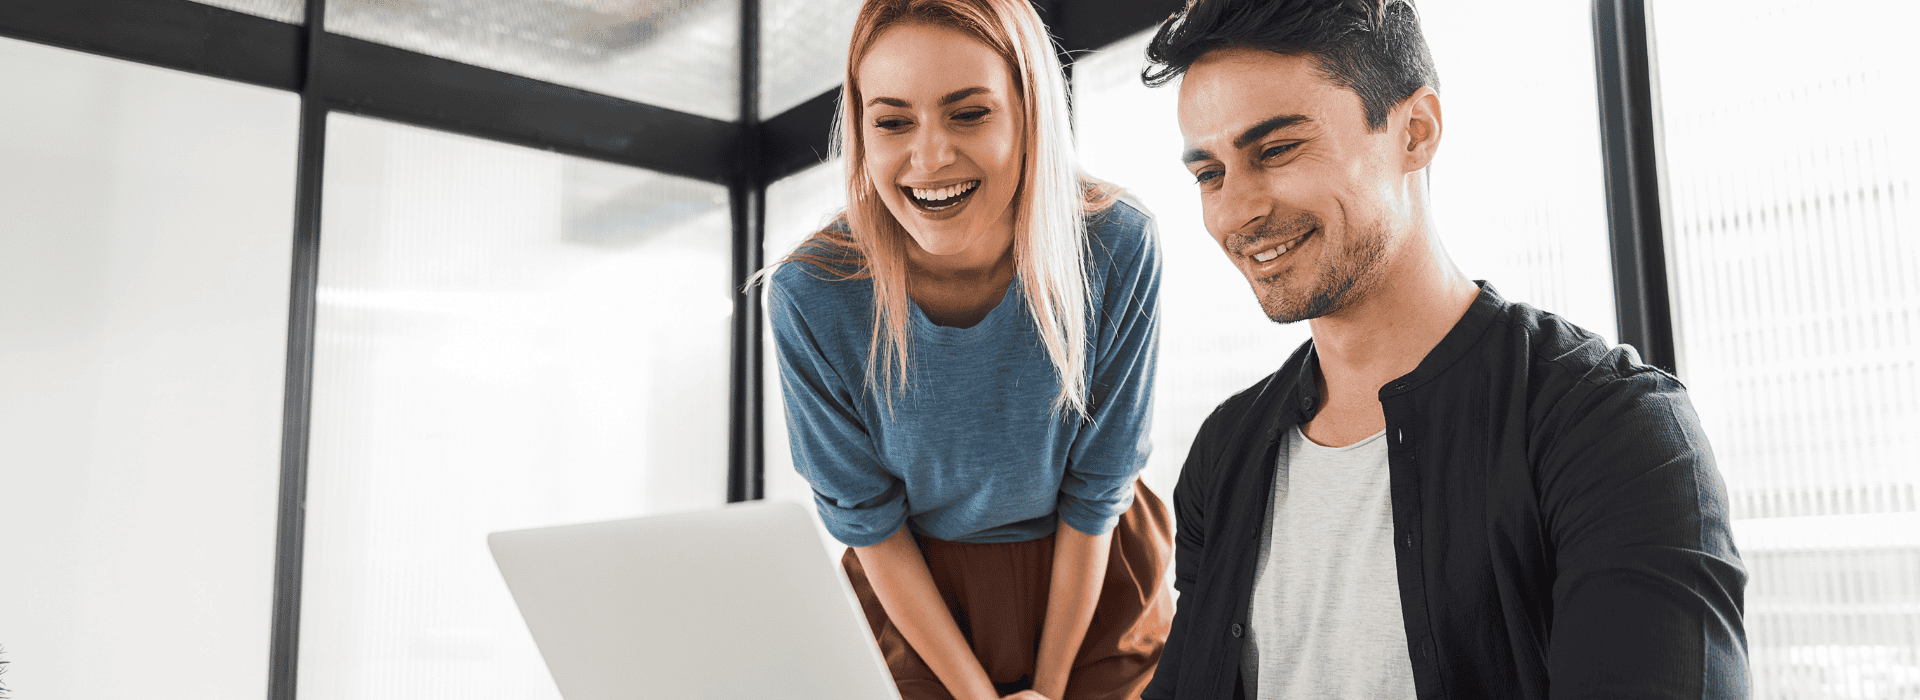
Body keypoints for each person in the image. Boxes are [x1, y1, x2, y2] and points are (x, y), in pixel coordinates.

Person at [1133, 1, 1748, 699]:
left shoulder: (1611, 429)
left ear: (1415, 132)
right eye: (1209, 174)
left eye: (1276, 150)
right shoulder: (1225, 452)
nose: (1235, 210)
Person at [762, 1, 1171, 698]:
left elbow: (1098, 487)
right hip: (917, 602)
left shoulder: (1117, 243)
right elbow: (869, 521)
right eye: (893, 122)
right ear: (860, 131)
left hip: (1095, 577)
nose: (930, 158)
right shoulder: (812, 293)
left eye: (970, 113)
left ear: (1029, 113)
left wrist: (1047, 689)